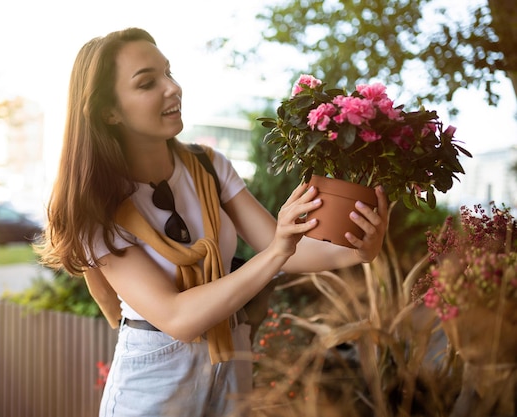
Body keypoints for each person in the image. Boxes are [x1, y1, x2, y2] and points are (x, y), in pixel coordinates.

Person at [36, 27, 388, 417]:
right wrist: (276, 251)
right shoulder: (93, 206)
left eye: (168, 73)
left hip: (231, 360)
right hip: (154, 378)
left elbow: (286, 248)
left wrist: (357, 250)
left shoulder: (208, 165)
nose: (173, 88)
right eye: (148, 83)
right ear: (109, 111)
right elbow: (177, 317)